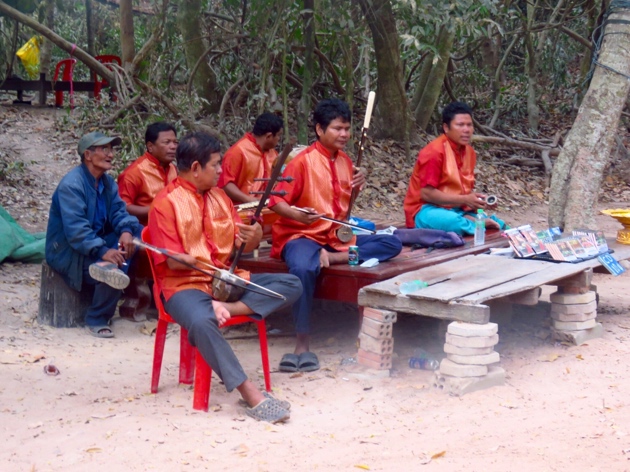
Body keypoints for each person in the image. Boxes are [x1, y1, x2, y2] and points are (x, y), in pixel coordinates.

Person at [148, 132, 302, 423]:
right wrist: (183, 259)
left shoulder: (220, 197)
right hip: (185, 288)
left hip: (228, 282)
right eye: (216, 165)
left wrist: (254, 237)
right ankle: (249, 393)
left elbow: (241, 247)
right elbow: (169, 263)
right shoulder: (165, 204)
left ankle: (225, 310)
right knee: (202, 320)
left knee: (291, 284)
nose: (221, 171)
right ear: (196, 168)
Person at [268, 98, 402, 373]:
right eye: (338, 128)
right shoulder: (301, 162)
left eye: (347, 129)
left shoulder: (346, 162)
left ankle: (331, 257)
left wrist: (358, 186)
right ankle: (302, 343)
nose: (344, 134)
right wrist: (296, 215)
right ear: (319, 129)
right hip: (301, 235)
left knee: (391, 242)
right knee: (304, 267)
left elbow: (343, 205)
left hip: (335, 238)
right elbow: (275, 202)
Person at [45, 131, 143, 338]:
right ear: (88, 155)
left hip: (94, 243)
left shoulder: (107, 183)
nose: (111, 154)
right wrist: (103, 251)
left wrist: (126, 231)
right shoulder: (72, 185)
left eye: (111, 149)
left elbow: (119, 211)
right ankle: (97, 317)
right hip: (69, 251)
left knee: (137, 237)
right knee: (112, 267)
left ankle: (117, 287)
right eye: (104, 149)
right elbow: (77, 231)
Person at [403, 101, 506, 234]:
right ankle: (475, 223)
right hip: (425, 210)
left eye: (469, 125)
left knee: (500, 224)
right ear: (446, 128)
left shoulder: (470, 152)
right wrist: (465, 200)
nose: (466, 130)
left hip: (456, 210)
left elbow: (461, 191)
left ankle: (474, 221)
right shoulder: (434, 152)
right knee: (453, 223)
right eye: (460, 125)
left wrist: (478, 201)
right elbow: (426, 194)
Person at [117, 122, 178, 226]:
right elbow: (122, 207)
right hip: (144, 231)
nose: (173, 146)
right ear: (150, 146)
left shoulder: (173, 168)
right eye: (167, 142)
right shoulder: (134, 173)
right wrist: (156, 209)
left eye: (175, 142)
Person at [218, 112, 283, 204]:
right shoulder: (237, 152)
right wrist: (247, 199)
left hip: (267, 208)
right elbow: (225, 184)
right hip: (239, 211)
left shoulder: (273, 154)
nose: (279, 139)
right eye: (279, 135)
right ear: (268, 136)